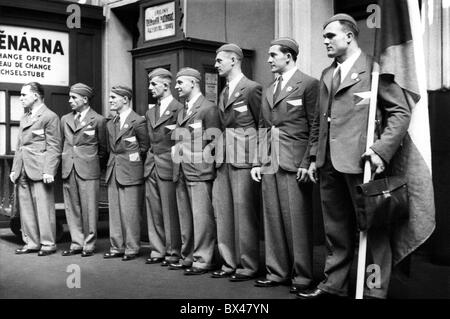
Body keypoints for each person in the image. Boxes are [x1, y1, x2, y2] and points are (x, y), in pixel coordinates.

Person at [297, 14, 411, 299]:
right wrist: (313, 158)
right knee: (335, 231)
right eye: (323, 37)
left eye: (330, 36)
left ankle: (373, 291)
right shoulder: (326, 74)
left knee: (373, 231)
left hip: (363, 163)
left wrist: (380, 150)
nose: (325, 41)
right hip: (329, 164)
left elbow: (400, 112)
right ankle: (333, 286)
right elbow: (319, 122)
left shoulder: (374, 68)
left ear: (349, 36)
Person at [250, 38, 318, 294]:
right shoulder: (269, 89)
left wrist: (308, 161)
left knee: (297, 222)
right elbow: (262, 128)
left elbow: (315, 127)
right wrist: (258, 161)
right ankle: (276, 271)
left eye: (273, 55)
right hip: (270, 162)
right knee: (273, 219)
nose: (268, 60)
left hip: (294, 163)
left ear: (288, 56)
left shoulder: (309, 84)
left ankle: (302, 275)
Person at [211, 43, 262, 282]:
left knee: (244, 213)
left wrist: (258, 161)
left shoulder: (252, 89)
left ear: (234, 60)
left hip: (244, 158)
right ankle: (229, 262)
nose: (216, 64)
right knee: (224, 212)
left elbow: (262, 126)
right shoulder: (224, 92)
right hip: (224, 158)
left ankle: (248, 265)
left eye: (220, 60)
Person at [169, 67, 220, 275]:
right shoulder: (183, 110)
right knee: (186, 217)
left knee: (202, 218)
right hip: (181, 168)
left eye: (180, 82)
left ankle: (203, 259)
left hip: (199, 170)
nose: (176, 86)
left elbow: (215, 141)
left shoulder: (208, 108)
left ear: (193, 83)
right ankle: (188, 255)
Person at [10, 82, 62, 256]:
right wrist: (14, 169)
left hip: (40, 170)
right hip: (23, 168)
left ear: (36, 96)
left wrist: (49, 170)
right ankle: (31, 242)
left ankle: (48, 244)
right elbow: (19, 145)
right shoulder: (25, 117)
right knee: (26, 209)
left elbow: (54, 146)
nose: (21, 98)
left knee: (43, 208)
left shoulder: (50, 116)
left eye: (24, 95)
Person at [60, 83, 107, 257]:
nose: (70, 100)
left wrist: (92, 164)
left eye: (74, 97)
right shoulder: (65, 119)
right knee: (72, 208)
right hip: (69, 169)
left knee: (89, 208)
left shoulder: (99, 120)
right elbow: (61, 143)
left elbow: (103, 150)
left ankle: (89, 244)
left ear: (85, 99)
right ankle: (76, 243)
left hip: (89, 170)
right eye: (70, 97)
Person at [104, 86, 150, 261]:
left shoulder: (138, 121)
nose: (110, 100)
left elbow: (144, 147)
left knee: (130, 212)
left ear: (125, 99)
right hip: (113, 170)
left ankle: (132, 248)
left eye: (113, 97)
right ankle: (117, 247)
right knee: (115, 211)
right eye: (110, 97)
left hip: (131, 172)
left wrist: (131, 161)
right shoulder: (111, 122)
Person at [144, 68, 183, 266]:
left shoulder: (180, 108)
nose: (150, 88)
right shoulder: (150, 112)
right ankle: (157, 249)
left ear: (166, 85)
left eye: (154, 84)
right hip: (151, 165)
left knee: (170, 211)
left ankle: (173, 251)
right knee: (154, 211)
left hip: (168, 165)